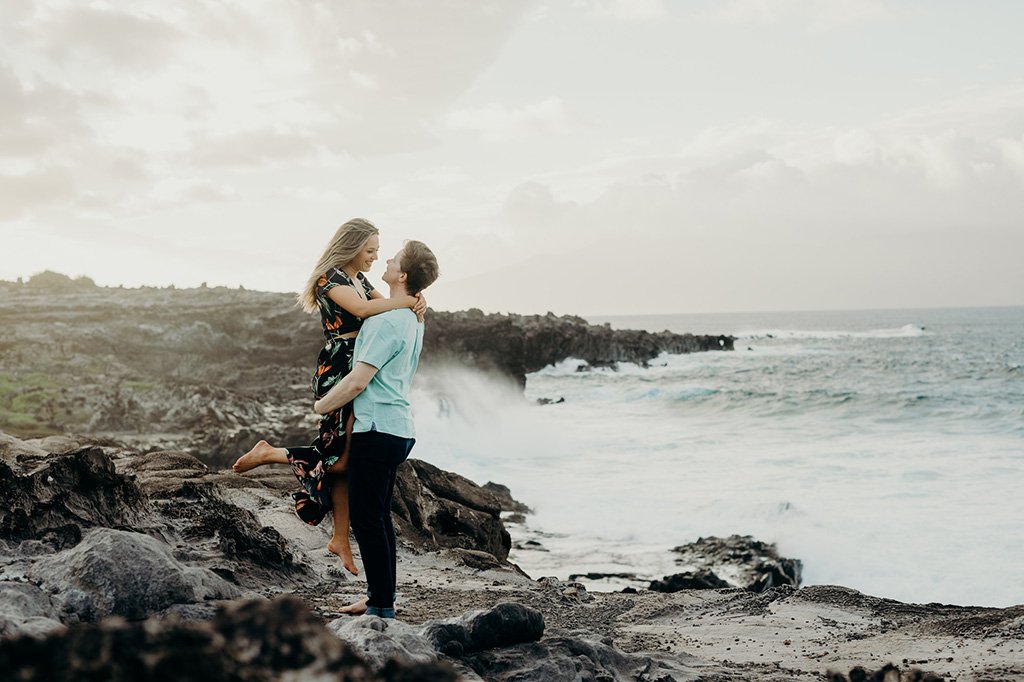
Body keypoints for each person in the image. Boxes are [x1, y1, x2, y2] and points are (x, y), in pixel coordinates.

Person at [232, 218, 425, 576]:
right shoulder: (330, 280)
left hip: (360, 367)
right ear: (351, 247)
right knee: (339, 457)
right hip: (340, 370)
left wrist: (411, 301)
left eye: (378, 252)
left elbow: (389, 306)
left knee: (344, 457)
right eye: (370, 250)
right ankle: (271, 453)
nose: (374, 257)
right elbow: (367, 311)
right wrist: (411, 300)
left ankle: (339, 537)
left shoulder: (360, 280)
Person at [313, 239, 439, 618]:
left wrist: (321, 404)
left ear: (402, 275)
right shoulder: (413, 318)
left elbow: (356, 382)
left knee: (368, 519)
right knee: (379, 518)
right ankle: (380, 599)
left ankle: (381, 606)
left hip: (375, 429)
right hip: (399, 428)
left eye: (394, 258)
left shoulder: (386, 321)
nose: (385, 258)